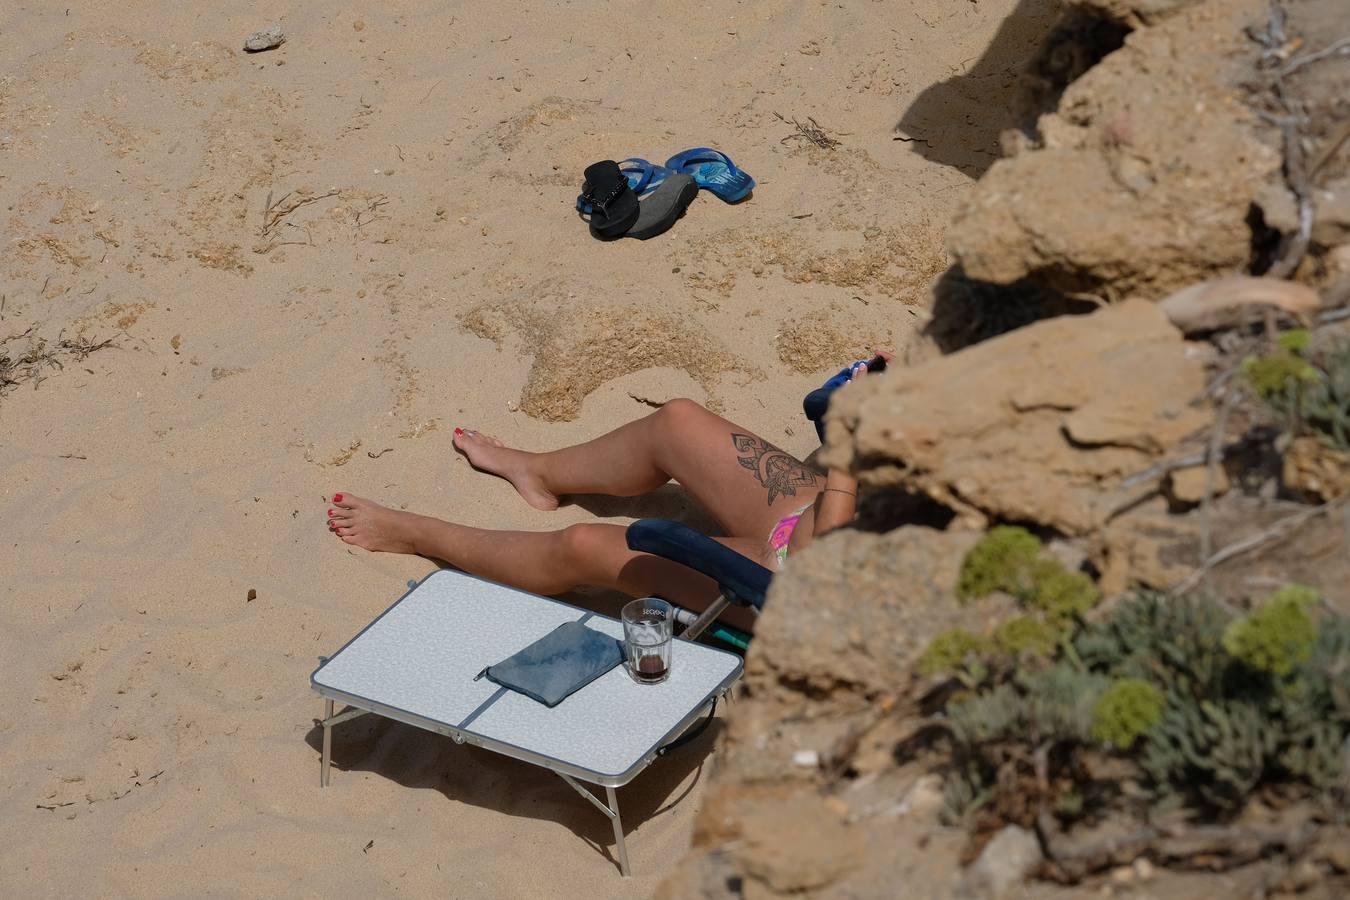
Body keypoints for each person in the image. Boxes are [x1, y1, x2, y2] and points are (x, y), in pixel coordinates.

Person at [325, 354, 890, 629]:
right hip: (818, 518)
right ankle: (540, 472)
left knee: (583, 547)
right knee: (676, 423)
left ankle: (417, 533)